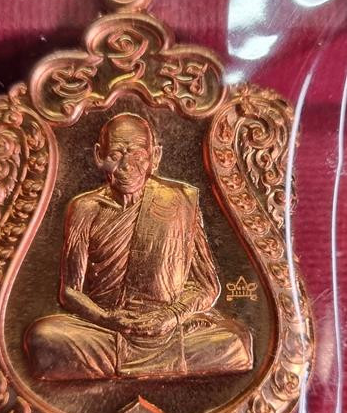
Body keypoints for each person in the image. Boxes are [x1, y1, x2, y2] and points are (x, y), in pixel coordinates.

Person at [24, 112, 253, 380]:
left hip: (167, 329)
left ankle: (118, 365)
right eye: (116, 154)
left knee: (235, 342)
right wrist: (106, 318)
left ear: (154, 157)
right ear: (99, 156)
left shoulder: (179, 202)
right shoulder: (85, 208)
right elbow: (70, 292)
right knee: (43, 338)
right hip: (108, 330)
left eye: (137, 155)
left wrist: (171, 315)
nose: (126, 166)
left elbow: (206, 286)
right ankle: (145, 363)